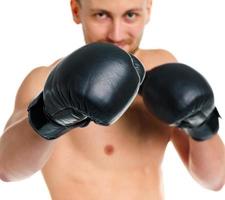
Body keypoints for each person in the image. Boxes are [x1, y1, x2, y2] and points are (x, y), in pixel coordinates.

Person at [0, 0, 225, 199]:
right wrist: (50, 114)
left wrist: (201, 123)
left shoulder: (163, 65)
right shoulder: (46, 81)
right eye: (101, 15)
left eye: (130, 15)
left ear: (148, 8)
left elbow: (215, 179)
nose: (116, 34)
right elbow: (6, 168)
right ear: (76, 10)